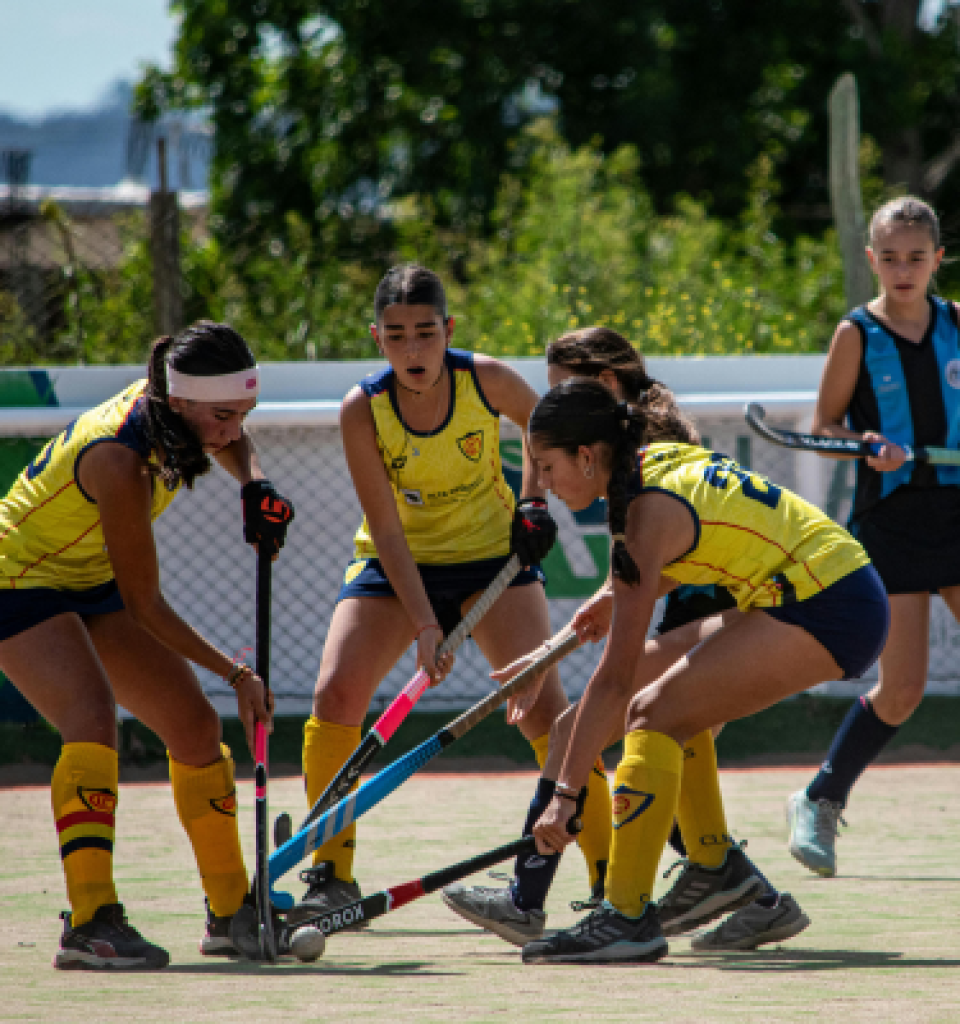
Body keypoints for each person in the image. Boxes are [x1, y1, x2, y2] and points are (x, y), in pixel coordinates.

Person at [442, 327, 808, 952]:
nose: (556, 406)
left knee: (615, 729)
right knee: (664, 736)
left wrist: (606, 606)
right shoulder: (634, 429)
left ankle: (537, 900)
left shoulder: (632, 449)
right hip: (697, 591)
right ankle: (735, 881)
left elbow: (650, 559)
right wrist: (588, 615)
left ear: (606, 385)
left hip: (712, 596)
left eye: (565, 390)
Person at [512, 377, 887, 964]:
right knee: (656, 703)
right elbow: (701, 538)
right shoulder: (652, 461)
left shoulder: (641, 516)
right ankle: (713, 867)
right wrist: (577, 628)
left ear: (587, 457)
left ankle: (627, 917)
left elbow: (612, 679)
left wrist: (565, 796)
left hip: (828, 604)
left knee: (649, 711)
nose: (545, 485)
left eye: (547, 466)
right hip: (811, 586)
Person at [0, 321, 294, 970]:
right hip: (14, 586)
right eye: (222, 416)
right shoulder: (118, 460)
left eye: (243, 414)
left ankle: (233, 913)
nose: (231, 430)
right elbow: (145, 607)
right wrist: (237, 672)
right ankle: (90, 924)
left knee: (195, 727)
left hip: (87, 578)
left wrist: (253, 483)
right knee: (91, 718)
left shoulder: (175, 408)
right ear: (179, 402)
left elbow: (230, 436)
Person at [285, 265, 613, 924]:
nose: (413, 351)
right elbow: (384, 527)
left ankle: (613, 883)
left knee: (548, 712)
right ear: (377, 337)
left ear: (448, 331)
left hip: (495, 560)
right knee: (335, 695)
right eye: (398, 336)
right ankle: (330, 872)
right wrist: (425, 624)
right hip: (395, 565)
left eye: (426, 334)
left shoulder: (484, 379)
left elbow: (546, 421)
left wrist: (533, 498)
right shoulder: (362, 409)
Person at [786, 196, 960, 876]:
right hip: (892, 522)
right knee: (903, 690)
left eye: (916, 257)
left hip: (957, 514)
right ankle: (821, 797)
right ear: (872, 261)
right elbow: (823, 427)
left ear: (938, 259)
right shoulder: (857, 333)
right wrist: (863, 444)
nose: (903, 268)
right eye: (889, 257)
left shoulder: (956, 324)